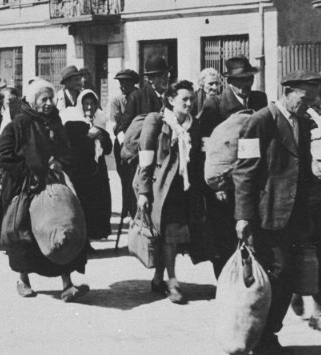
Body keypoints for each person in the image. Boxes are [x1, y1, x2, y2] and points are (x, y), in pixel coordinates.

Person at [232, 70, 321, 352]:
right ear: (288, 92)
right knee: (276, 273)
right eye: (304, 99)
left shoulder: (302, 122)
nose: (308, 105)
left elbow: (303, 165)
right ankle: (261, 337)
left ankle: (270, 332)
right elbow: (244, 172)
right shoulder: (260, 121)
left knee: (290, 274)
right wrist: (243, 216)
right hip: (268, 214)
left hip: (296, 214)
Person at [0, 78, 89, 301]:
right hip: (26, 187)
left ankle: (67, 284)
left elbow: (66, 151)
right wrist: (27, 173)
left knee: (62, 227)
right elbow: (3, 155)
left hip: (53, 184)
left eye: (50, 99)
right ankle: (23, 280)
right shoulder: (19, 124)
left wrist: (60, 162)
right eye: (43, 99)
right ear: (32, 100)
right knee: (25, 234)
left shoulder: (55, 122)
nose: (48, 103)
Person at [135, 80, 205, 304]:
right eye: (184, 99)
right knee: (169, 236)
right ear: (171, 100)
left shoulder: (193, 125)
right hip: (161, 190)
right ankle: (172, 281)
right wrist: (143, 192)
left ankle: (158, 278)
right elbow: (145, 159)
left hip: (184, 189)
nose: (189, 103)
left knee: (171, 237)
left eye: (191, 99)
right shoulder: (157, 121)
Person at [198, 55, 268, 278]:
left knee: (253, 229)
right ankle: (226, 282)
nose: (246, 84)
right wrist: (216, 185)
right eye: (240, 80)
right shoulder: (215, 105)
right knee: (225, 235)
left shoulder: (259, 100)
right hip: (225, 183)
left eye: (248, 78)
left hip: (253, 176)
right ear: (228, 82)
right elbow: (206, 147)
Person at [289, 67, 321, 336]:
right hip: (315, 196)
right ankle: (318, 312)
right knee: (316, 251)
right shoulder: (308, 116)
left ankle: (302, 292)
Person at [61, 89, 112, 245]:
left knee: (96, 206)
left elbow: (108, 148)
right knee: (82, 205)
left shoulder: (100, 121)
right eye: (86, 104)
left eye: (92, 104)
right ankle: (82, 242)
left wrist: (100, 135)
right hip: (81, 172)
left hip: (97, 173)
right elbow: (74, 146)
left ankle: (90, 237)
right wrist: (89, 136)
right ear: (80, 105)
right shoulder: (72, 122)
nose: (89, 107)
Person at [109, 69, 139, 218]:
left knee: (136, 176)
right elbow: (116, 123)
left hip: (137, 142)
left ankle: (135, 207)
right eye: (120, 83)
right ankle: (125, 206)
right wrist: (123, 143)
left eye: (125, 83)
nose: (122, 86)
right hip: (121, 142)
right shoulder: (117, 101)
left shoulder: (140, 97)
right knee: (124, 175)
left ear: (133, 83)